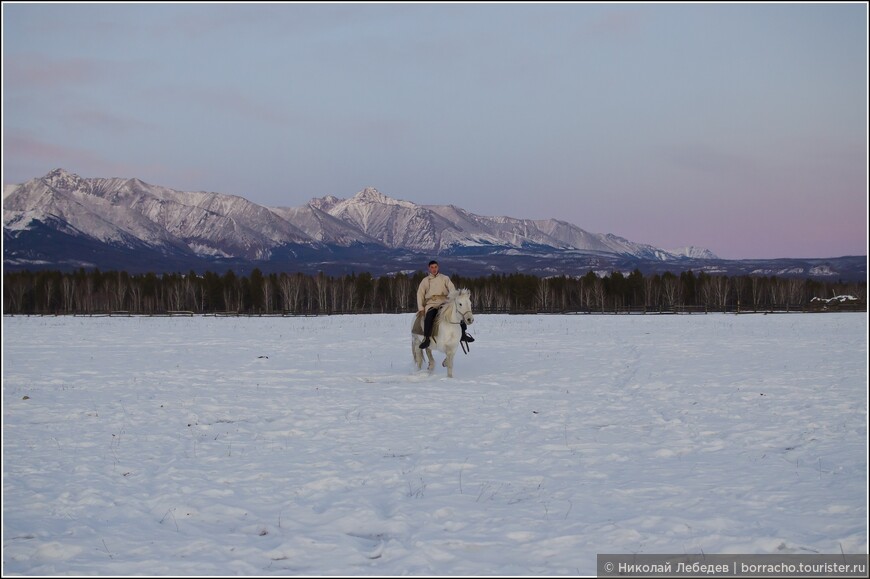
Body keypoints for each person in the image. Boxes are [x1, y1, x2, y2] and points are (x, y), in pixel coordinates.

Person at [416, 260, 474, 349]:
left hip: (445, 303)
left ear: (438, 267)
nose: (434, 269)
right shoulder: (425, 281)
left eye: (435, 267)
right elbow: (420, 294)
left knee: (458, 314)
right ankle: (427, 339)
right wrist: (421, 308)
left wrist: (453, 296)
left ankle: (463, 334)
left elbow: (452, 289)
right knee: (429, 317)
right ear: (429, 268)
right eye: (432, 267)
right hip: (432, 303)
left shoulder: (445, 278)